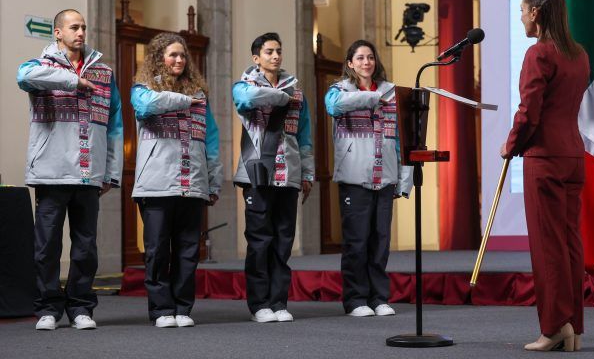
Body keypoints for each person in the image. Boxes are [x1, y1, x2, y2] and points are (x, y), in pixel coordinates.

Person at [17, 9, 123, 331]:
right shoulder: (39, 66)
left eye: (83, 27)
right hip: (51, 171)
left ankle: (80, 307)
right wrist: (72, 80)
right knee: (47, 246)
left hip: (89, 173)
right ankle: (48, 308)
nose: (80, 32)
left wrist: (111, 172)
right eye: (74, 27)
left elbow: (115, 125)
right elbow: (23, 77)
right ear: (58, 33)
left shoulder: (103, 72)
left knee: (86, 247)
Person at [501, 0, 589, 352]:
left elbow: (529, 111)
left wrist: (511, 145)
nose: (521, 17)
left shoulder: (539, 53)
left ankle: (553, 327)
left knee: (547, 246)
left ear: (535, 13)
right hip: (573, 157)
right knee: (569, 244)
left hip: (545, 159)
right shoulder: (579, 54)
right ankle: (573, 328)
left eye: (522, 11)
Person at [130, 33, 223, 328]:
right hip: (156, 184)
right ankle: (161, 310)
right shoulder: (143, 88)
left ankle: (182, 308)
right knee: (157, 251)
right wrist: (184, 100)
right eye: (173, 54)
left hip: (192, 183)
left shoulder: (200, 94)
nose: (179, 60)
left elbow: (211, 140)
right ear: (159, 57)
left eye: (183, 55)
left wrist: (213, 180)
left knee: (187, 251)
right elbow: (145, 107)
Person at [325, 40, 413, 317]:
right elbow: (333, 107)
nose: (366, 62)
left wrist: (404, 179)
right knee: (357, 242)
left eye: (370, 57)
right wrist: (373, 98)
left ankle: (378, 298)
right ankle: (356, 299)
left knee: (380, 242)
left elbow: (401, 138)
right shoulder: (339, 90)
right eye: (360, 58)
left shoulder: (391, 92)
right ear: (350, 63)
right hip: (355, 178)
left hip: (385, 177)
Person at [233, 32, 314, 323]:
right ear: (256, 58)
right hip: (257, 171)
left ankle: (279, 302)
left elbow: (304, 134)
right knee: (259, 240)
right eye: (269, 52)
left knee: (283, 240)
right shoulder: (244, 86)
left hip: (288, 171)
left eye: (278, 51)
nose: (276, 56)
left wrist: (308, 171)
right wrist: (281, 95)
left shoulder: (297, 91)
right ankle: (259, 305)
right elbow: (247, 100)